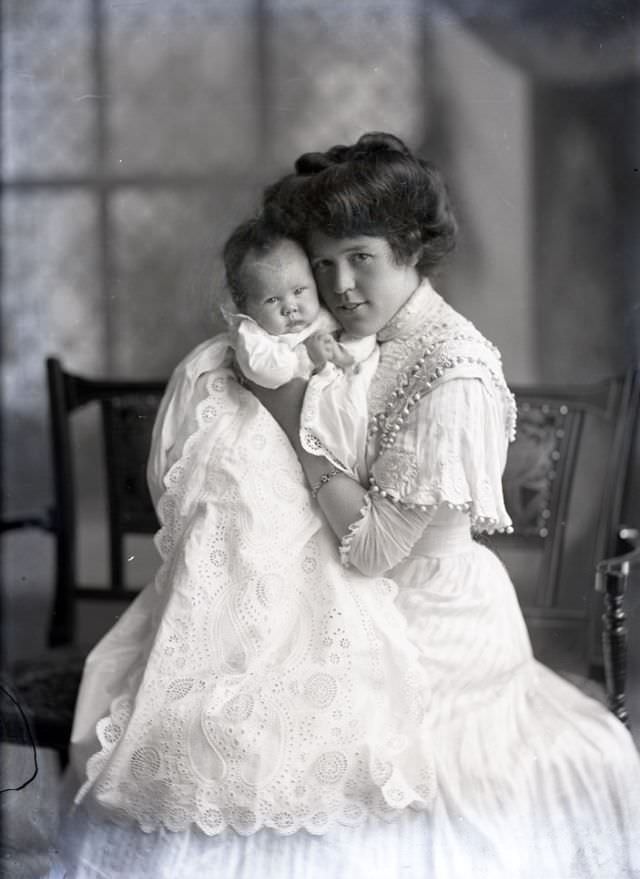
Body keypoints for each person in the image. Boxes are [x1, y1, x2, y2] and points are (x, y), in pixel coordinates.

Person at [51, 133, 640, 879]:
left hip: (424, 609)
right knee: (211, 704)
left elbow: (370, 549)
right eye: (322, 265)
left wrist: (292, 412)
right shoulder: (356, 338)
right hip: (343, 586)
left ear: (410, 247)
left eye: (361, 256)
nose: (340, 287)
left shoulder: (451, 373)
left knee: (292, 740)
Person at [60, 211, 437, 868]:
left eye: (301, 291)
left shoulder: (337, 352)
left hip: (305, 526)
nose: (292, 307)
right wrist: (190, 525)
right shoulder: (220, 360)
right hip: (224, 530)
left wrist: (330, 370)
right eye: (272, 299)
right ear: (240, 305)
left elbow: (348, 448)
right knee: (212, 618)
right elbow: (168, 462)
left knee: (314, 641)